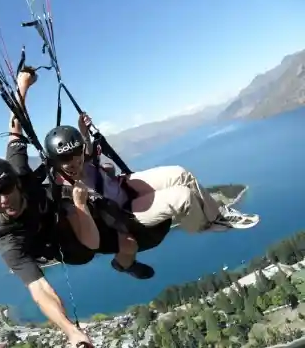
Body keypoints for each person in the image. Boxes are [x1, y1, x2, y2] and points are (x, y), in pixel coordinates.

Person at [0, 70, 159, 347]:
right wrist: (70, 330)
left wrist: (22, 87)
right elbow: (40, 290)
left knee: (85, 200)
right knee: (83, 239)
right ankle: (104, 235)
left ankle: (124, 247)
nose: (1, 200)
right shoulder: (7, 240)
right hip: (58, 242)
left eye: (4, 190)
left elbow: (16, 127)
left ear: (15, 182)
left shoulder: (20, 172)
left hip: (57, 207)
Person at [43, 114, 260, 274]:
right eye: (65, 159)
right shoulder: (65, 190)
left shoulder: (83, 157)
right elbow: (84, 235)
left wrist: (84, 131)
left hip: (125, 186)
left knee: (181, 174)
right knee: (181, 197)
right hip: (125, 212)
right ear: (54, 161)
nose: (73, 162)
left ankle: (216, 215)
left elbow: (87, 151)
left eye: (75, 154)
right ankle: (201, 226)